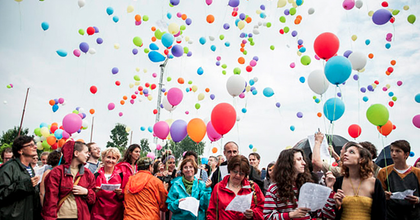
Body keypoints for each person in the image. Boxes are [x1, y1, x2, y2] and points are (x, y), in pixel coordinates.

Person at [263, 148, 336, 219]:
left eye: (303, 159)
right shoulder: (274, 188)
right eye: (299, 159)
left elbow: (323, 214)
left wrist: (329, 188)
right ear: (288, 163)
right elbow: (267, 216)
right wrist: (290, 215)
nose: (304, 163)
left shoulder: (306, 186)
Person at [42, 141, 96, 220]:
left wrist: (86, 192)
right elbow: (50, 199)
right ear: (76, 153)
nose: (88, 155)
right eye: (86, 152)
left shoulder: (88, 174)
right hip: (60, 216)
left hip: (81, 216)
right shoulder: (57, 172)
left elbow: (93, 199)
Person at [333, 142, 386, 220]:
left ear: (361, 159)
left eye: (351, 152)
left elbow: (381, 214)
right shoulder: (338, 182)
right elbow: (331, 213)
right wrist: (337, 205)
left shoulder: (375, 183)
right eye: (346, 152)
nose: (345, 154)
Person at [207, 155, 265, 220]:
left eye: (241, 173)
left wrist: (254, 213)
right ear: (230, 170)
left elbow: (264, 208)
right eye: (235, 171)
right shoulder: (218, 187)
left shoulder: (253, 187)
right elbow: (212, 212)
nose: (237, 175)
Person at [0, 136, 41, 220]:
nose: (35, 147)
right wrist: (25, 185)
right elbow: (2, 194)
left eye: (34, 144)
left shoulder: (29, 168)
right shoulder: (9, 168)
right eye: (30, 145)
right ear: (20, 151)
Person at [377, 140, 420, 219]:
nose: (393, 154)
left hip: (414, 215)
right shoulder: (383, 172)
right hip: (391, 215)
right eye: (392, 150)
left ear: (406, 154)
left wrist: (418, 200)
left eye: (398, 151)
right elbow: (377, 193)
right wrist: (383, 194)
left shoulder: (417, 172)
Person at [91, 147, 124, 220]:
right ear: (103, 158)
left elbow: (126, 195)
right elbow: (89, 196)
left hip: (116, 214)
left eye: (113, 158)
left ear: (117, 160)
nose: (110, 160)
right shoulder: (95, 175)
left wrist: (121, 193)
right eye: (108, 157)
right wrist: (94, 192)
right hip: (98, 213)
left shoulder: (121, 175)